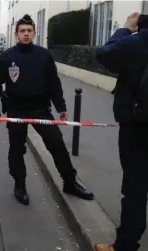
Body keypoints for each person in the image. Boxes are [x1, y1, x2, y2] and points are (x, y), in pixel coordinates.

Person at [0, 14, 94, 206]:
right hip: (16, 110)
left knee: (57, 144)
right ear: (16, 34)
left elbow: (54, 83)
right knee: (17, 149)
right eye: (22, 31)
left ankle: (70, 182)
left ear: (34, 33)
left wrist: (61, 106)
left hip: (40, 110)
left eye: (29, 31)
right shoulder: (7, 57)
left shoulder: (44, 55)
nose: (26, 34)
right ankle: (20, 186)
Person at [94, 12, 148, 251]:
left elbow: (105, 55)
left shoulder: (139, 41)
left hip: (138, 126)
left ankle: (126, 245)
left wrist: (125, 29)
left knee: (135, 189)